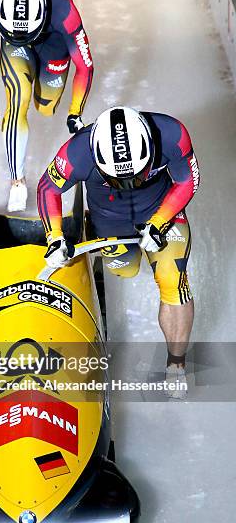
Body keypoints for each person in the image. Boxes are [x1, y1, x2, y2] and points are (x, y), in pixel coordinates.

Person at [37, 106, 200, 399]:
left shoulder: (173, 135)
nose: (127, 185)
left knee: (173, 281)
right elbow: (47, 189)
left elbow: (187, 182)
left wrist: (159, 221)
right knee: (124, 269)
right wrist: (55, 237)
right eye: (118, 179)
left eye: (136, 177)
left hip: (161, 211)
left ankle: (176, 363)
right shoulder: (77, 153)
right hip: (109, 219)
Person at [0, 0, 94, 212]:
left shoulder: (64, 11)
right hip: (15, 50)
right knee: (18, 98)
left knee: (46, 107)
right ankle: (16, 181)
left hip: (54, 44)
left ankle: (42, 84)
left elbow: (85, 66)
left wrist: (74, 112)